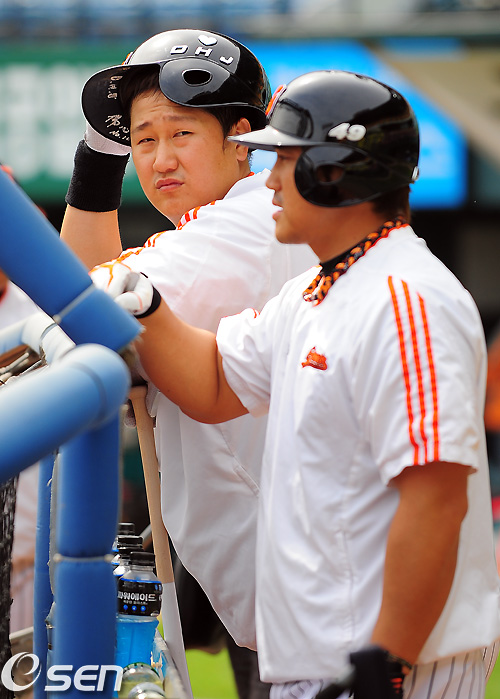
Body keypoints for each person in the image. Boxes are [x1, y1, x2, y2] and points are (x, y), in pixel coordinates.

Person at [89, 70, 500, 699]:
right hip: (317, 650)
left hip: (391, 656)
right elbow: (213, 383)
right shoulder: (314, 291)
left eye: (284, 159)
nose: (269, 180)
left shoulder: (407, 299)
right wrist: (145, 302)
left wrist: (389, 656)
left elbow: (435, 494)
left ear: (332, 171)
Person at [60, 28, 315, 697]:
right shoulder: (224, 226)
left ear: (241, 138)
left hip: (320, 586)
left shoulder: (243, 226)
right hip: (302, 581)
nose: (160, 158)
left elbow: (75, 306)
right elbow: (88, 291)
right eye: (143, 139)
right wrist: (100, 152)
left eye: (181, 133)